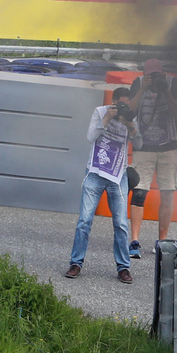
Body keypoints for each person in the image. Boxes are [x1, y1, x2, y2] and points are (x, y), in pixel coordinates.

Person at [65, 87, 137, 284]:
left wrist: (130, 125)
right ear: (113, 101)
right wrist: (107, 119)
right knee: (84, 221)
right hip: (95, 172)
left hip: (118, 175)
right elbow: (90, 137)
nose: (123, 107)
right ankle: (76, 263)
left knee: (121, 224)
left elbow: (139, 144)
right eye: (120, 104)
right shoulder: (100, 111)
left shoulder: (130, 116)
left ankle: (123, 267)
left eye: (126, 104)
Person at [127, 59, 177, 258]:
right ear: (144, 73)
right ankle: (134, 240)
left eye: (156, 74)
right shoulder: (137, 83)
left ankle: (162, 240)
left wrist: (165, 90)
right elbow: (129, 111)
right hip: (143, 146)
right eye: (150, 75)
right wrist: (142, 89)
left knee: (168, 193)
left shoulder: (172, 83)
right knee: (139, 192)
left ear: (163, 72)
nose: (154, 78)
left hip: (168, 146)